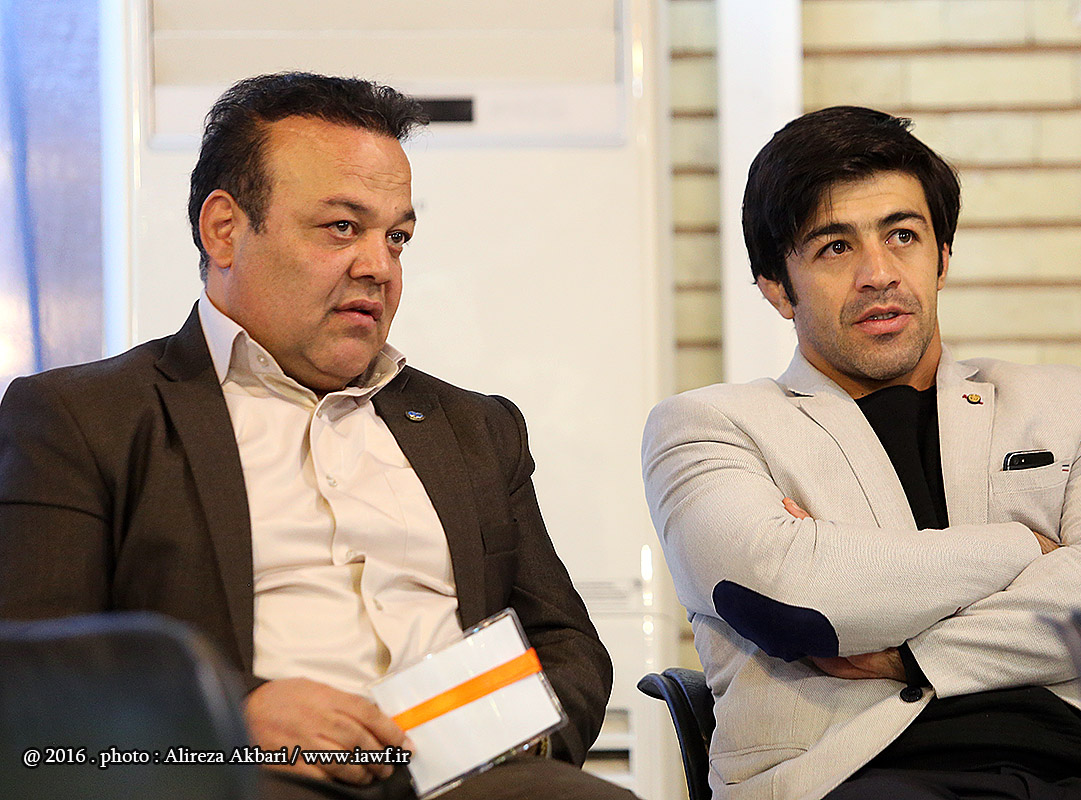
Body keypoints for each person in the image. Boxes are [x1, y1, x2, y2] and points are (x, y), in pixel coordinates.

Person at [0, 72, 634, 800]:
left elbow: (568, 649)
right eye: (341, 228)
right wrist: (232, 713)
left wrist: (479, 734)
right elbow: (27, 672)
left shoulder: (476, 430)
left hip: (467, 777)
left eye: (396, 237)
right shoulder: (83, 417)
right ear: (225, 229)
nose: (379, 267)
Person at [641, 105, 1081, 800]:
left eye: (903, 235)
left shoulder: (1065, 401)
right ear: (777, 286)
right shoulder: (708, 427)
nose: (879, 273)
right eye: (835, 247)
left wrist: (909, 653)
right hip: (855, 777)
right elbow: (797, 600)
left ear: (943, 257)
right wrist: (1027, 547)